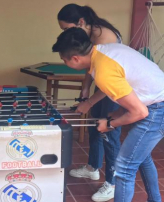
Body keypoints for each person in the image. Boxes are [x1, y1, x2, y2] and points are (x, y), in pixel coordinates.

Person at [52, 27, 164, 202]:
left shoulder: (103, 70)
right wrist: (109, 111)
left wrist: (111, 124)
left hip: (156, 108)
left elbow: (140, 112)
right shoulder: (102, 52)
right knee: (141, 157)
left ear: (75, 58)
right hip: (154, 101)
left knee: (124, 166)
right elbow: (124, 87)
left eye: (64, 60)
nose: (65, 63)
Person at [57, 4, 122, 201]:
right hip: (103, 85)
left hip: (114, 89)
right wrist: (85, 90)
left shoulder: (104, 38)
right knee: (95, 127)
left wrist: (89, 102)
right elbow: (90, 66)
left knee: (109, 133)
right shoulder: (88, 35)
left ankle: (112, 183)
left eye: (68, 29)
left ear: (81, 22)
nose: (69, 34)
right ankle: (93, 167)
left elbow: (109, 80)